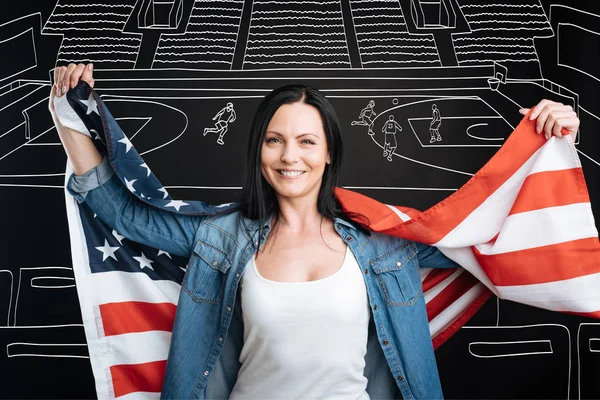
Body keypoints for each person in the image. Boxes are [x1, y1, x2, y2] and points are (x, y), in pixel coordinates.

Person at [49, 63, 580, 399]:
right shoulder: (222, 238)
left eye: (306, 142)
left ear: (328, 155)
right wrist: (69, 115)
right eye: (275, 140)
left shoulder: (384, 245)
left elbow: (493, 237)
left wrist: (547, 138)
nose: (290, 156)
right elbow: (125, 214)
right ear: (259, 153)